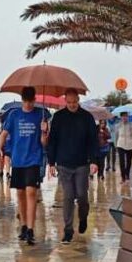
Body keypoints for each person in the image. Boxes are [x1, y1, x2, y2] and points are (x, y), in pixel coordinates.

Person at [46, 89, 99, 244]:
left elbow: (93, 141)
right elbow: (52, 141)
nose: (72, 105)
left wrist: (94, 161)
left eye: (74, 102)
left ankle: (83, 217)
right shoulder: (58, 117)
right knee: (68, 196)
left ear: (78, 100)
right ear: (65, 101)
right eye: (69, 103)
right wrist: (51, 162)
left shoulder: (87, 117)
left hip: (82, 163)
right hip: (63, 163)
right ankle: (68, 230)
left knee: (82, 195)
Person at [0, 86, 48, 245]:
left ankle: (32, 229)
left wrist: (44, 132)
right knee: (20, 193)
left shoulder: (40, 115)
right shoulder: (14, 115)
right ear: (22, 101)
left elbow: (44, 143)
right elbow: (4, 134)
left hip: (33, 159)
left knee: (31, 192)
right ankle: (24, 226)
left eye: (30, 102)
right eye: (25, 102)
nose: (28, 105)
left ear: (34, 100)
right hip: (18, 160)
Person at [114, 111, 132, 183]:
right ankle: (123, 177)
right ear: (121, 117)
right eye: (123, 116)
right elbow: (116, 136)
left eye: (126, 116)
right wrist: (116, 145)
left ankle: (127, 175)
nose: (124, 117)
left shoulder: (131, 125)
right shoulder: (117, 125)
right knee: (121, 162)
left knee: (129, 161)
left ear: (127, 117)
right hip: (120, 144)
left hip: (130, 144)